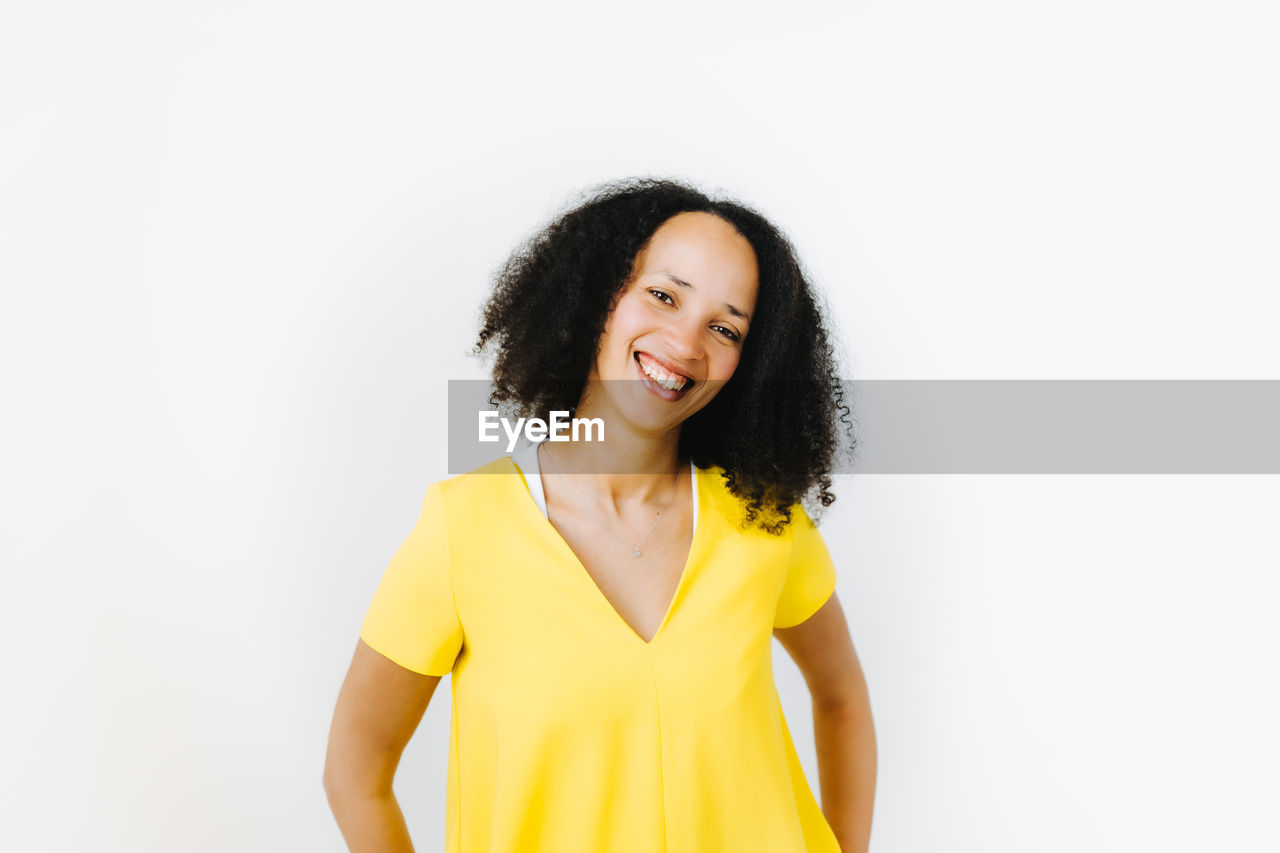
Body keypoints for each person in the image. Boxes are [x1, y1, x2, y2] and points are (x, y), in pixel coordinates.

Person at [323, 178, 876, 852]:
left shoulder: (763, 522)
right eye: (664, 295)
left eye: (725, 326)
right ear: (599, 296)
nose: (685, 341)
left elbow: (842, 698)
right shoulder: (462, 528)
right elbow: (355, 767)